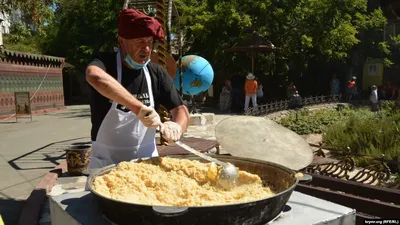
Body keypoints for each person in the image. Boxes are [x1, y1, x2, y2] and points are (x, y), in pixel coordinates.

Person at [85, 8, 189, 169]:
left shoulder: (157, 73)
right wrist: (140, 109)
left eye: (149, 42)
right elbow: (94, 76)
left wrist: (177, 127)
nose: (146, 49)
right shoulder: (106, 63)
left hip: (147, 164)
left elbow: (180, 110)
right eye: (139, 42)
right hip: (107, 164)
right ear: (122, 41)